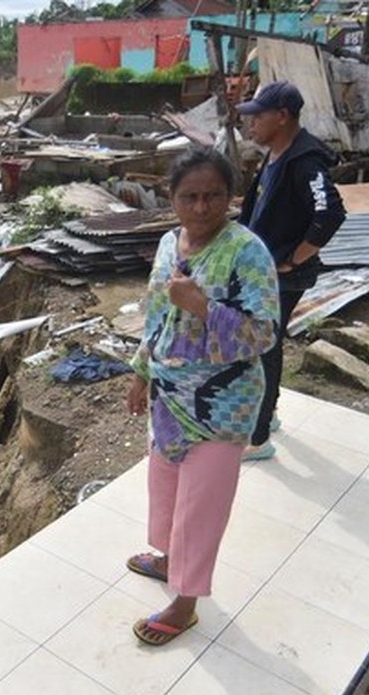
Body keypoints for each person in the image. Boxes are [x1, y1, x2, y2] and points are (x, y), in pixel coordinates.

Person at [124, 147, 280, 645]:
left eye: (214, 195)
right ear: (170, 198)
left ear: (231, 197)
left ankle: (185, 602)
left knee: (201, 504)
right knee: (165, 483)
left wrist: (203, 305)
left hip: (222, 404)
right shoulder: (170, 244)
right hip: (169, 396)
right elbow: (154, 314)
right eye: (188, 196)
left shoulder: (248, 251)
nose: (201, 207)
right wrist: (140, 373)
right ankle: (169, 559)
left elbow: (264, 333)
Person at [236, 80, 346, 460]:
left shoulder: (306, 161)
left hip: (283, 274)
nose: (250, 125)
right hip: (264, 269)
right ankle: (270, 413)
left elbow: (329, 213)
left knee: (263, 345)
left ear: (282, 117)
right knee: (266, 341)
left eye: (257, 116)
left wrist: (294, 259)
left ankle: (258, 436)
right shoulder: (277, 152)